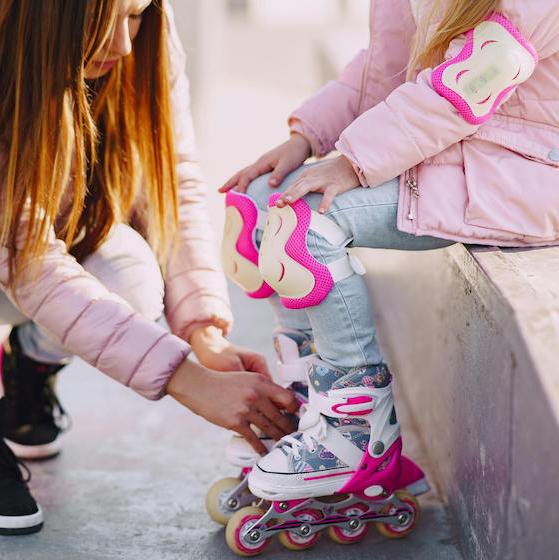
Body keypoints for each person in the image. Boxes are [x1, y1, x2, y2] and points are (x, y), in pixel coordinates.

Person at [0, 0, 299, 535]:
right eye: (109, 18)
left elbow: (172, 184)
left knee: (132, 274)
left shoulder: (148, 38)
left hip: (27, 260)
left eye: (136, 16)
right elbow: (27, 258)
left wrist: (204, 334)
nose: (126, 43)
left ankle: (29, 367)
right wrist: (184, 378)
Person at [218, 0, 559, 550]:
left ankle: (356, 431)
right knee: (261, 204)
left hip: (522, 173)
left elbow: (473, 79)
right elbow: (386, 68)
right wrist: (307, 137)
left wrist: (352, 161)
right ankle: (312, 399)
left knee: (303, 230)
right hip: (455, 151)